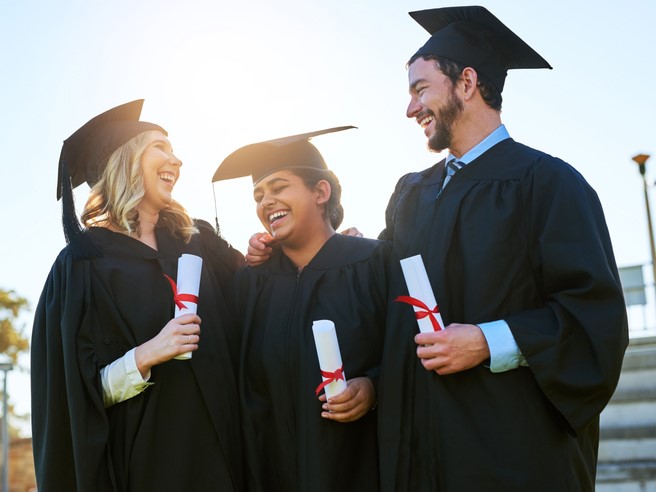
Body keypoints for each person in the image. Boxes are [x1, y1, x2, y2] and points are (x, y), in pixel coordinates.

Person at [248, 6, 629, 491]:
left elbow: (593, 319)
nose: (410, 109)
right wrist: (371, 381)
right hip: (421, 452)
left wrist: (488, 341)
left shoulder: (548, 184)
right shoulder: (411, 194)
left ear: (467, 83)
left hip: (513, 452)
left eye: (420, 89)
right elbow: (385, 311)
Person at [31, 100, 244, 491]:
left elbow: (256, 305)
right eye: (160, 147)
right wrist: (146, 354)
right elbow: (73, 399)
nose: (175, 160)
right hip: (146, 465)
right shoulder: (83, 265)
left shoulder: (196, 241)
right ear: (125, 161)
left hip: (225, 454)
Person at [213, 127, 390, 492]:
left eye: (279, 188)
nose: (266, 202)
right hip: (273, 474)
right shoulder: (251, 285)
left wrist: (374, 388)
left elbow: (410, 351)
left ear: (320, 192)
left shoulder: (375, 262)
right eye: (259, 195)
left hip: (361, 468)